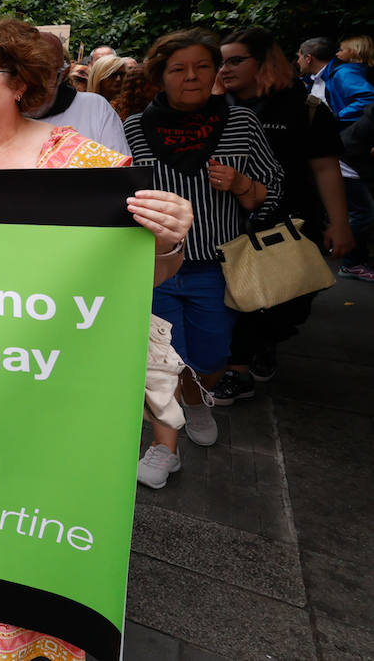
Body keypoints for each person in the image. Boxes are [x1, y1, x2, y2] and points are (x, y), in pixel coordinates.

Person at [0, 19, 192, 658]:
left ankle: (15, 627)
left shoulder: (78, 165)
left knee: (17, 511)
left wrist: (169, 239)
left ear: (20, 84)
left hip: (33, 389)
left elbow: (139, 276)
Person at [123, 28, 283, 474]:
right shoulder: (134, 128)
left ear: (215, 72)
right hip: (154, 266)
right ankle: (164, 449)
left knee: (212, 355)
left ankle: (197, 399)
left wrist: (242, 184)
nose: (191, 76)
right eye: (178, 69)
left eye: (202, 67)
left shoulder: (241, 123)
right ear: (160, 76)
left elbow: (271, 192)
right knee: (160, 362)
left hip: (215, 265)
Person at [210, 28, 352, 402]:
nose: (225, 69)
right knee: (239, 299)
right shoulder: (214, 107)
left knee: (288, 302)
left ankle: (263, 346)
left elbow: (325, 168)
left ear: (265, 61)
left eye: (235, 60)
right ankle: (237, 368)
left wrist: (340, 224)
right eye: (220, 62)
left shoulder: (303, 107)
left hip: (293, 224)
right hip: (230, 224)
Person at [297, 37, 374, 279]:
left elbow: (367, 99)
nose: (296, 61)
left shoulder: (341, 74)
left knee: (361, 208)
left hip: (347, 150)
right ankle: (349, 258)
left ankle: (350, 259)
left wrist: (332, 119)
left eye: (299, 56)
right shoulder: (318, 79)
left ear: (308, 57)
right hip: (339, 151)